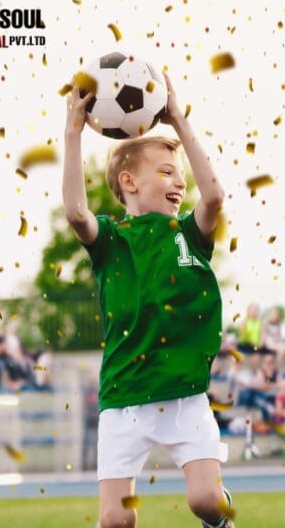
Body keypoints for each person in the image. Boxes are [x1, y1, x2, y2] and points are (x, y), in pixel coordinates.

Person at [63, 73, 231, 528]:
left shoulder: (188, 235)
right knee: (117, 521)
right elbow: (76, 212)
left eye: (179, 173)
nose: (179, 182)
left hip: (184, 392)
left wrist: (178, 119)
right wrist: (73, 132)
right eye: (166, 171)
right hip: (124, 394)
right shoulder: (111, 240)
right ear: (128, 181)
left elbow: (214, 194)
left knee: (206, 502)